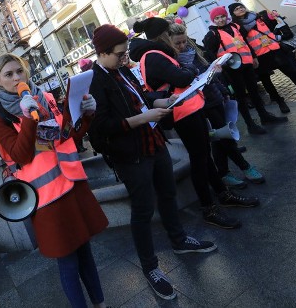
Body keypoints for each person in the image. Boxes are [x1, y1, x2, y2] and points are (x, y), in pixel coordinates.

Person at [87, 24, 216, 301]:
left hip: (154, 143)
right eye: (120, 54)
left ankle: (179, 240)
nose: (125, 59)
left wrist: (160, 100)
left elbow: (138, 98)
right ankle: (150, 268)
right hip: (131, 155)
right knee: (143, 211)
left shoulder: (120, 70)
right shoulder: (94, 81)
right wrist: (145, 117)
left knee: (167, 193)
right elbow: (103, 127)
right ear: (103, 52)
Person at [0, 53, 109, 308]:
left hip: (72, 182)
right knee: (68, 261)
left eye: (19, 71)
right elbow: (20, 154)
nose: (16, 78)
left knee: (85, 252)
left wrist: (86, 115)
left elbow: (67, 136)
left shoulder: (48, 98)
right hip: (45, 198)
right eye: (8, 75)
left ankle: (100, 303)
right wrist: (28, 117)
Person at [130, 18, 260, 228]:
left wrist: (188, 74)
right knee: (199, 160)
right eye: (167, 32)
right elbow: (181, 78)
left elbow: (179, 77)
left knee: (204, 156)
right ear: (162, 35)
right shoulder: (153, 55)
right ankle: (209, 208)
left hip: (190, 109)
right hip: (183, 113)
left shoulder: (156, 54)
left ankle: (222, 194)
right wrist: (192, 72)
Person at [168, 22, 265, 188]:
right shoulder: (172, 61)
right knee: (222, 136)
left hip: (214, 97)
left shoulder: (195, 52)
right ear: (168, 41)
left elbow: (210, 73)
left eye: (184, 41)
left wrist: (223, 91)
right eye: (177, 43)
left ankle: (224, 172)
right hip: (199, 104)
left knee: (219, 138)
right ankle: (245, 167)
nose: (182, 46)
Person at [228, 2, 296, 111]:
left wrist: (274, 17)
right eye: (236, 9)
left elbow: (272, 27)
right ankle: (280, 102)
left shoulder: (258, 16)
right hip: (259, 56)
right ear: (233, 13)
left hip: (274, 50)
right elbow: (244, 43)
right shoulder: (236, 27)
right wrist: (252, 57)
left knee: (294, 73)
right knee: (267, 82)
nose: (240, 9)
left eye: (241, 7)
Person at [203, 6, 288, 134]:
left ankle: (264, 116)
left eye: (222, 17)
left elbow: (245, 43)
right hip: (232, 69)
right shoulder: (212, 34)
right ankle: (250, 124)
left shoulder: (234, 27)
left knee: (254, 92)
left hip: (246, 64)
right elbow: (210, 54)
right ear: (213, 20)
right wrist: (220, 65)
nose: (220, 20)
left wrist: (254, 57)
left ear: (226, 16)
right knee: (241, 97)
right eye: (217, 18)